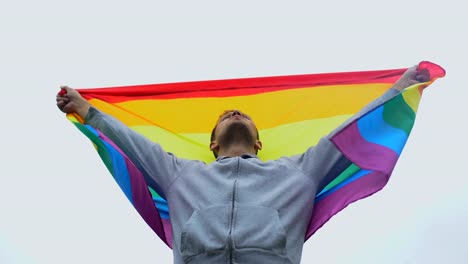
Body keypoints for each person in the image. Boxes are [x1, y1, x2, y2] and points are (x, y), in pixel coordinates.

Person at [56, 66, 429, 264]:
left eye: (243, 114)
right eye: (225, 115)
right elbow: (132, 144)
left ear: (259, 141)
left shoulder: (299, 172)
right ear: (213, 143)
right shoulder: (180, 174)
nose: (235, 112)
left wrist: (402, 87)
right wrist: (86, 110)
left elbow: (350, 132)